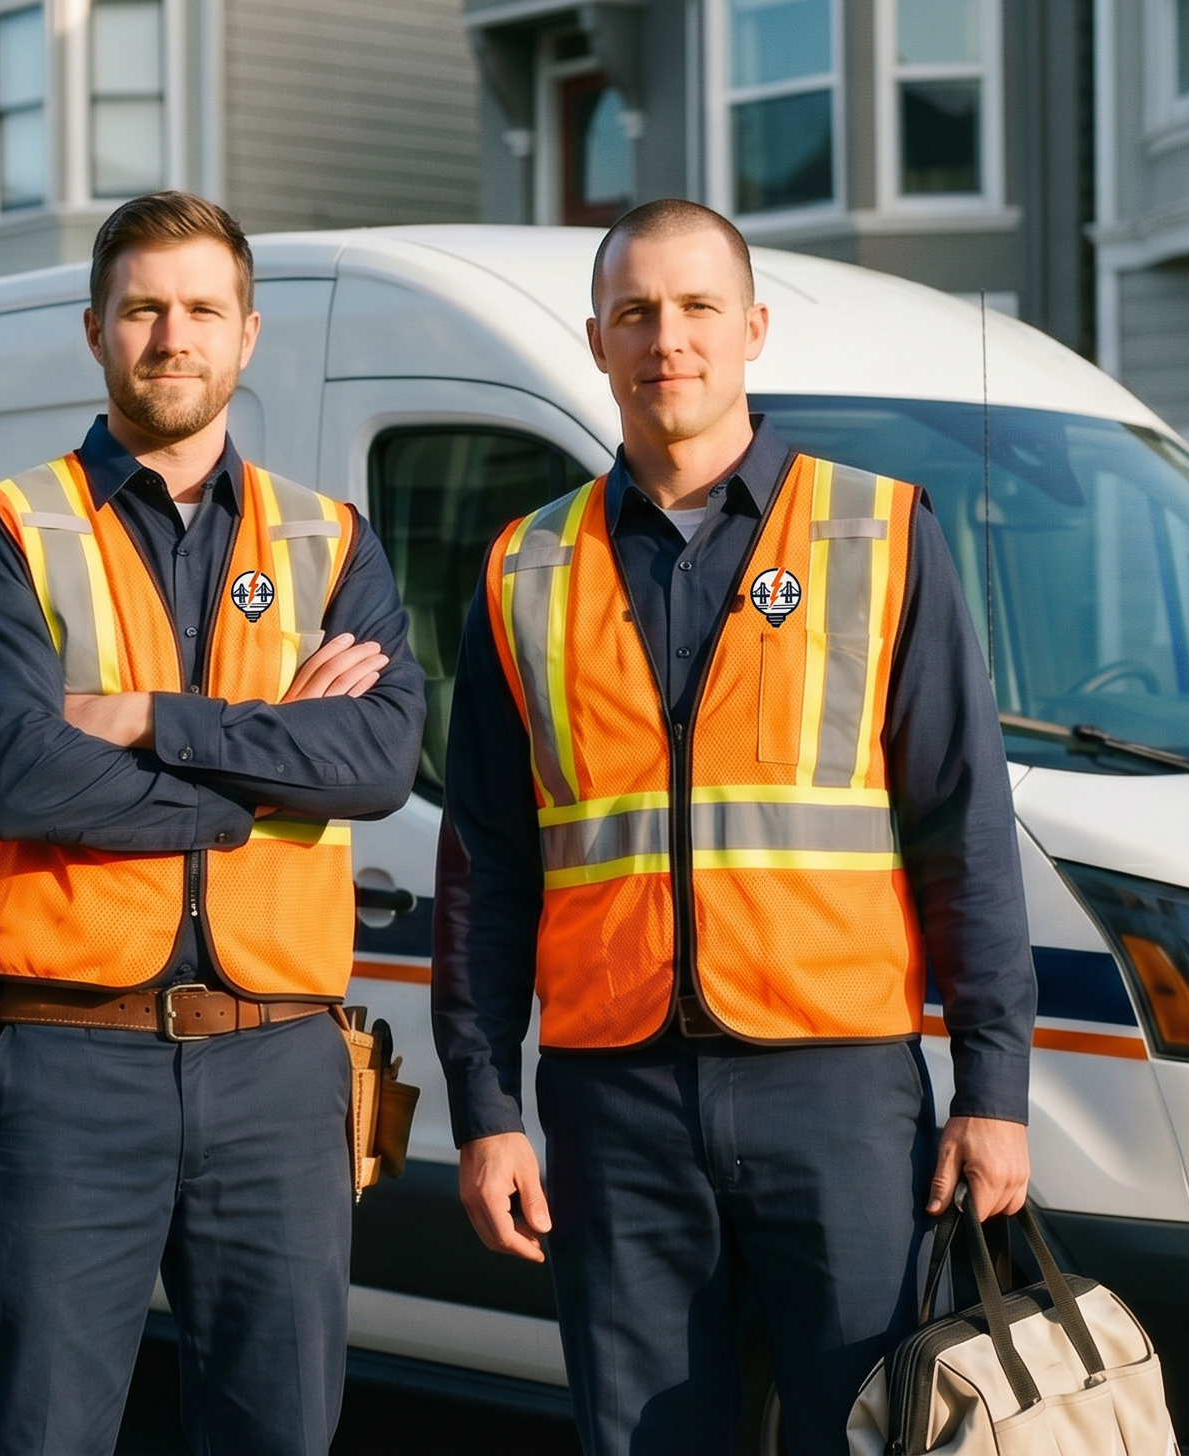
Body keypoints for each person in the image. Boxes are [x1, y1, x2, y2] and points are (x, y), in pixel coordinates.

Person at [431, 198, 1038, 1453]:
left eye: (700, 307)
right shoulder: (520, 569)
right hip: (615, 1105)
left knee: (867, 1432)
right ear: (595, 339)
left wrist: (993, 1089)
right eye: (638, 312)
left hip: (837, 1094)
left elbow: (962, 829)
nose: (671, 340)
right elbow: (486, 872)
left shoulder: (876, 532)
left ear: (752, 328)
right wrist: (487, 1111)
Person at [0, 190, 423, 1455]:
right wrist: (266, 779)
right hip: (65, 1059)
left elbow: (373, 761)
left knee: (281, 1436)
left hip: (283, 1069)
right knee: (34, 1434)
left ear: (247, 335)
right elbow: (18, 782)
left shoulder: (330, 541)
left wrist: (151, 715)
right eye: (143, 308)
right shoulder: (4, 532)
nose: (172, 337)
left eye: (202, 309)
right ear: (93, 328)